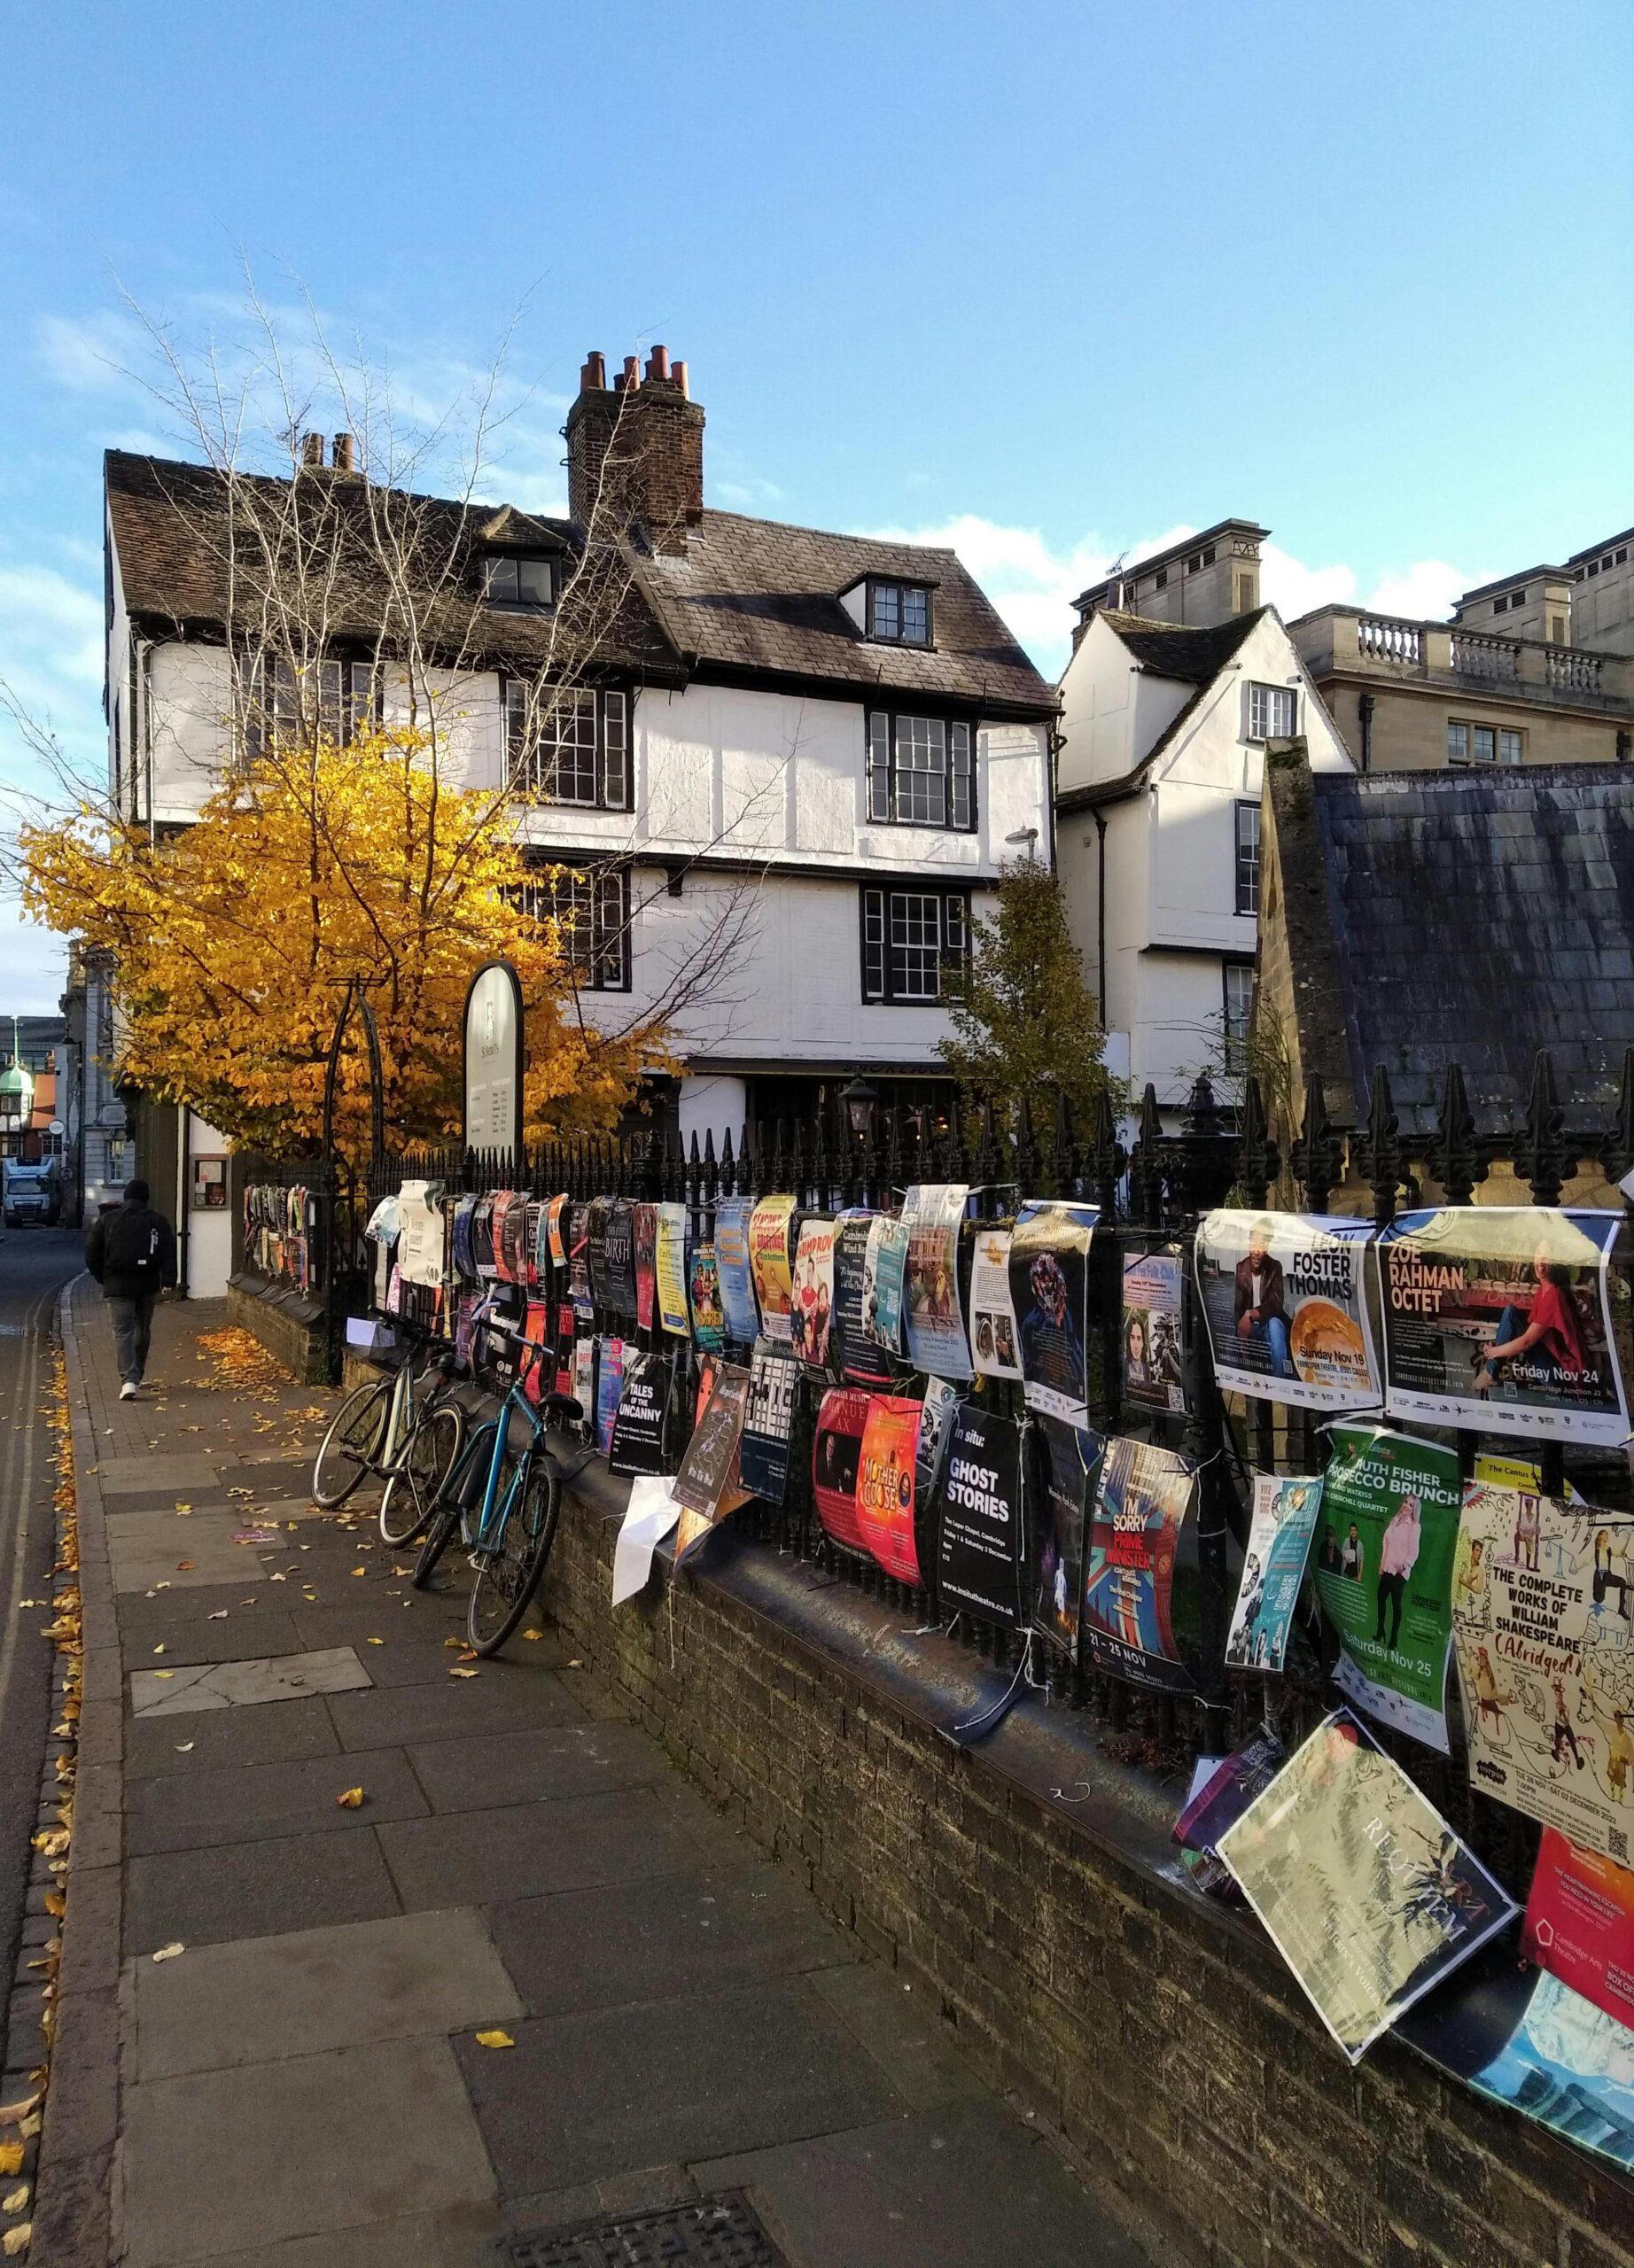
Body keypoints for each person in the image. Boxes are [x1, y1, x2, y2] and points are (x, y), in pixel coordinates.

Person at [84, 1179, 177, 1400]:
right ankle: (138, 1374)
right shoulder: (157, 1221)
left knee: (122, 1332)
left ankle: (128, 1380)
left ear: (125, 1197)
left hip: (116, 1285)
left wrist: (103, 1277)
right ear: (146, 1198)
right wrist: (169, 1281)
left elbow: (90, 1251)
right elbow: (168, 1251)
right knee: (142, 1329)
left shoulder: (107, 1220)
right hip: (147, 1284)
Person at [1476, 1243, 1591, 1395]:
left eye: (1547, 1257)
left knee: (1512, 1316)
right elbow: (1523, 1332)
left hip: (1564, 1377)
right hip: (1553, 1366)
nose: (1541, 1263)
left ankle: (1490, 1373)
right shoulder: (1542, 1292)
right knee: (1512, 1313)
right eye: (1538, 1254)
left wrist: (1494, 1352)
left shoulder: (1554, 1296)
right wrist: (1495, 1347)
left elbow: (1526, 1342)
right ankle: (1490, 1372)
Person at [1233, 1219, 1293, 1379]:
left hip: (1267, 1322)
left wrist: (1251, 1314)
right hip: (1250, 1328)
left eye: (1262, 1245)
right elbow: (1238, 1307)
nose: (1257, 1251)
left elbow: (1275, 1304)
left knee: (1276, 1325)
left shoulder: (1275, 1267)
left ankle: (1280, 1379)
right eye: (1254, 1244)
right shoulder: (1241, 1268)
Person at [1374, 1493, 1422, 1651]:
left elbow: (1414, 1551)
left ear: (1415, 1509)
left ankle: (1393, 1639)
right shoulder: (1394, 1521)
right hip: (1388, 1569)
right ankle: (1380, 1630)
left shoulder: (1415, 1526)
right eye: (1406, 1502)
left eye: (1411, 1505)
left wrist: (1404, 1566)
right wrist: (1382, 1566)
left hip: (1400, 1573)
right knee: (1380, 1598)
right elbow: (1386, 1545)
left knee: (1396, 1605)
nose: (1407, 1506)